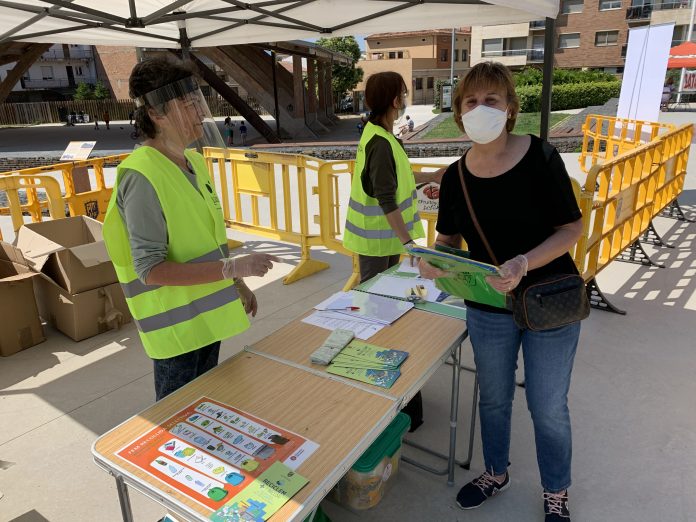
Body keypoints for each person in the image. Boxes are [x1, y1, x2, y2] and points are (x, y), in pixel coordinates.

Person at [418, 61, 584, 521]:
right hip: (488, 304)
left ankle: (556, 490)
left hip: (550, 300)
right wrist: (434, 261)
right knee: (492, 395)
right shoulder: (454, 177)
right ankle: (496, 471)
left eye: (491, 99)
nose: (480, 108)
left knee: (547, 405)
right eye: (471, 101)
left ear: (510, 108)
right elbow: (448, 241)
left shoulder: (541, 157)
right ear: (459, 112)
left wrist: (523, 262)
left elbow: (571, 228)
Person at [102, 57, 279, 401]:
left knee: (203, 408)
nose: (200, 112)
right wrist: (234, 268)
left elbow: (208, 238)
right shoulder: (141, 176)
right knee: (177, 417)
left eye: (199, 102)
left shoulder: (193, 162)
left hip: (207, 321)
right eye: (188, 104)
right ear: (156, 114)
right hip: (176, 332)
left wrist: (236, 282)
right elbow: (149, 270)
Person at [342, 71, 444, 431]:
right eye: (403, 92)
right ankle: (381, 395)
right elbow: (386, 198)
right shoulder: (380, 143)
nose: (405, 98)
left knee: (385, 312)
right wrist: (409, 243)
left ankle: (396, 397)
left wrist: (432, 174)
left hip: (381, 243)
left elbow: (394, 183)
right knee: (376, 318)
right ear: (395, 100)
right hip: (377, 243)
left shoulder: (381, 136)